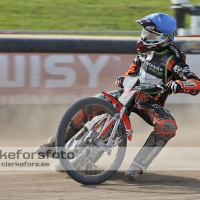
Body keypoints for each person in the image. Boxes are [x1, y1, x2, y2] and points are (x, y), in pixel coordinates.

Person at [36, 12, 200, 181]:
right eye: (144, 33)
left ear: (164, 38)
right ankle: (54, 144)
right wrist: (124, 77)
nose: (144, 37)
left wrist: (179, 84)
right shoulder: (145, 51)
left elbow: (195, 82)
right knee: (90, 105)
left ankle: (138, 166)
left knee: (167, 125)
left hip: (149, 100)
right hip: (128, 92)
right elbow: (134, 67)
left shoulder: (174, 58)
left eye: (150, 35)